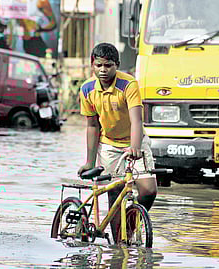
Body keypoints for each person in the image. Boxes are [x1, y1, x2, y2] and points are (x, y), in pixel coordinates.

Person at [77, 43, 157, 244]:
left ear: (117, 65)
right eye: (99, 65)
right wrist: (89, 162)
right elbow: (92, 126)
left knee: (149, 190)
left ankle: (131, 220)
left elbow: (137, 120)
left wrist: (136, 147)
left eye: (108, 66)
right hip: (109, 145)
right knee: (114, 194)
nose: (103, 70)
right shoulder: (87, 89)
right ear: (92, 65)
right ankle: (119, 245)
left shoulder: (128, 85)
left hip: (134, 141)